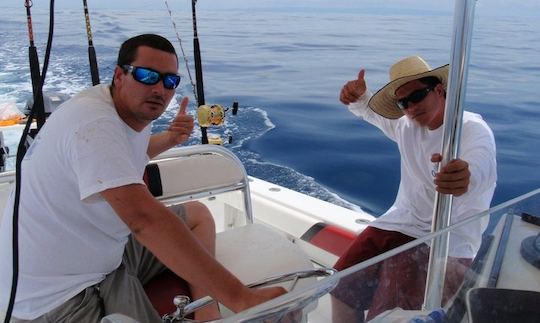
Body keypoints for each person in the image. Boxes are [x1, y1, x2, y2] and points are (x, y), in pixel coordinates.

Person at [0, 34, 285, 322]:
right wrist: (241, 298)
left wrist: (171, 139)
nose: (160, 89)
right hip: (64, 292)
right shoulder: (95, 123)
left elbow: (125, 156)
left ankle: (207, 312)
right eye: (148, 76)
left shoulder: (125, 111)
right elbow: (143, 220)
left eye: (170, 81)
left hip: (106, 250)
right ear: (119, 75)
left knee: (197, 215)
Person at [331, 56, 497, 322]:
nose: (410, 107)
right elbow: (370, 112)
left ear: (440, 91)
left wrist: (464, 176)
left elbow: (480, 166)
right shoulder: (406, 124)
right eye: (402, 102)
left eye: (417, 96)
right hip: (400, 223)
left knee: (389, 314)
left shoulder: (472, 130)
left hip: (446, 239)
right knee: (339, 286)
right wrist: (359, 97)